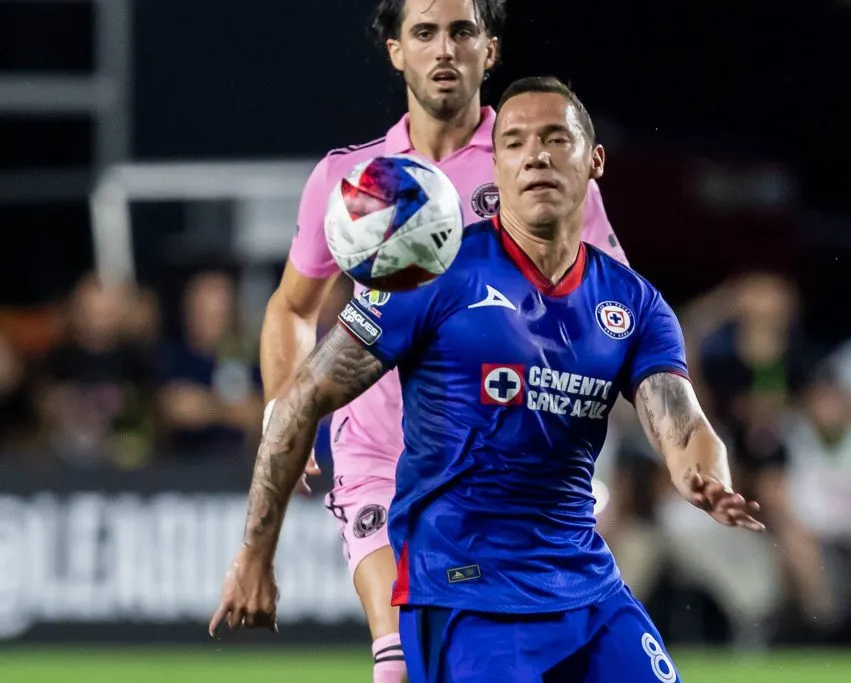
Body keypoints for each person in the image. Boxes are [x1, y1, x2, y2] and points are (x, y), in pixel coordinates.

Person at [212, 75, 762, 682]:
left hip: (586, 587)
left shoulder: (633, 303)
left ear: (595, 162)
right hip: (465, 595)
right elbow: (302, 400)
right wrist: (256, 555)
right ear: (495, 168)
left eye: (557, 139)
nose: (538, 156)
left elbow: (683, 425)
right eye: (518, 143)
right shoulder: (429, 277)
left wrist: (704, 477)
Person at [259, 0, 626, 679]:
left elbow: (611, 306)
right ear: (397, 51)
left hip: (500, 465)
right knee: (397, 660)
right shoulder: (354, 179)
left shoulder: (534, 163)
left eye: (462, 32)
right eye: (425, 33)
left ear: (490, 49)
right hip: (377, 450)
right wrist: (285, 405)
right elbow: (291, 305)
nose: (444, 49)